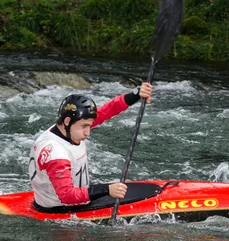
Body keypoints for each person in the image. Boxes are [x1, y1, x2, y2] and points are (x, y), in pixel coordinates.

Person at [28, 82, 153, 210]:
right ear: (67, 121)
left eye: (89, 125)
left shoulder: (67, 128)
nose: (88, 132)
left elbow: (107, 110)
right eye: (84, 126)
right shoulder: (56, 153)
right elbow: (67, 195)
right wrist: (107, 189)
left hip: (62, 198)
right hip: (60, 208)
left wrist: (136, 94)